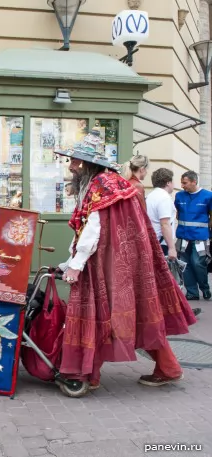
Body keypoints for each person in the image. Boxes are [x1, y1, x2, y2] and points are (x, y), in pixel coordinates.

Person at [57, 142, 196, 390]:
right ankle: (167, 367)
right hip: (123, 260)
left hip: (106, 262)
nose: (72, 166)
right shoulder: (110, 183)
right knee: (137, 313)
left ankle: (89, 374)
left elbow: (93, 228)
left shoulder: (102, 185)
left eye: (76, 161)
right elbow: (89, 228)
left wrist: (75, 264)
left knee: (97, 314)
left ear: (89, 164)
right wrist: (71, 259)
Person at [146, 168, 201, 316]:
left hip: (154, 243)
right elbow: (165, 224)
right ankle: (181, 312)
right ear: (168, 182)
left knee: (166, 280)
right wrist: (172, 248)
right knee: (169, 279)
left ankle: (180, 310)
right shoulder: (164, 198)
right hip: (161, 244)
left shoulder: (150, 196)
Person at [174, 170, 212, 301]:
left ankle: (205, 288)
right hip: (183, 237)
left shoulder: (208, 196)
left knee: (197, 263)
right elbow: (178, 214)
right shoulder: (179, 196)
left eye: (185, 183)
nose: (182, 185)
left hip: (200, 237)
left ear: (194, 182)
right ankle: (192, 292)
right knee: (185, 264)